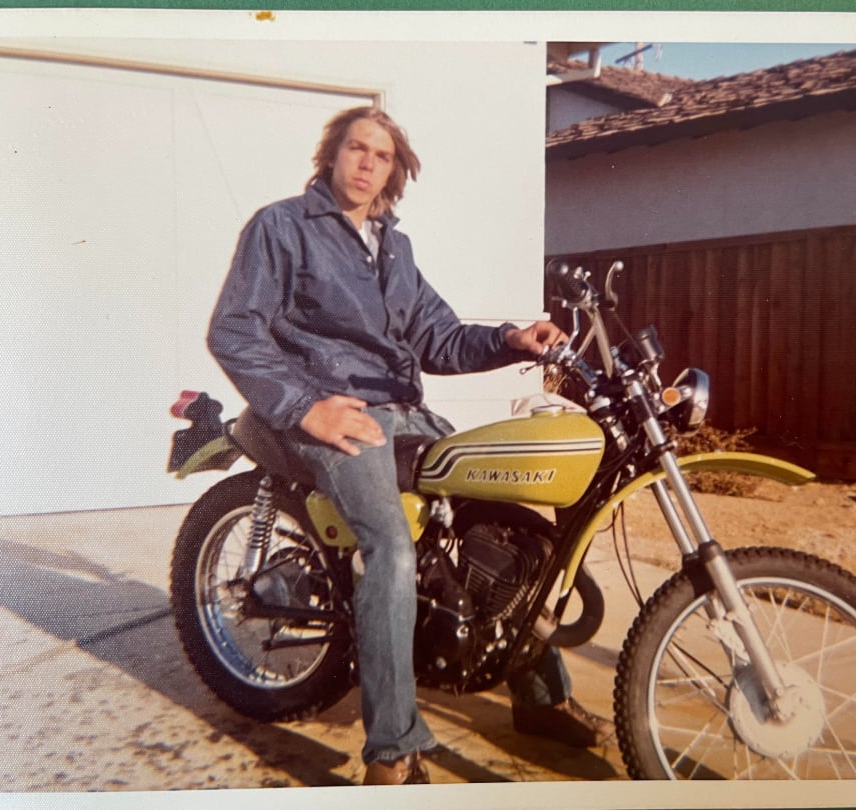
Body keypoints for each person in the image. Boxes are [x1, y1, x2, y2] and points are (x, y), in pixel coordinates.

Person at [207, 105, 613, 786]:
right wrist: (308, 408)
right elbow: (234, 331)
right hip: (334, 414)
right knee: (391, 548)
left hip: (404, 410)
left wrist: (510, 339)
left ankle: (541, 697)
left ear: (396, 171)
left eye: (382, 155)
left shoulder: (395, 248)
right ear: (331, 155)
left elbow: (440, 338)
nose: (367, 163)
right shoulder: (281, 227)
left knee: (509, 520)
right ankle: (392, 749)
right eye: (356, 149)